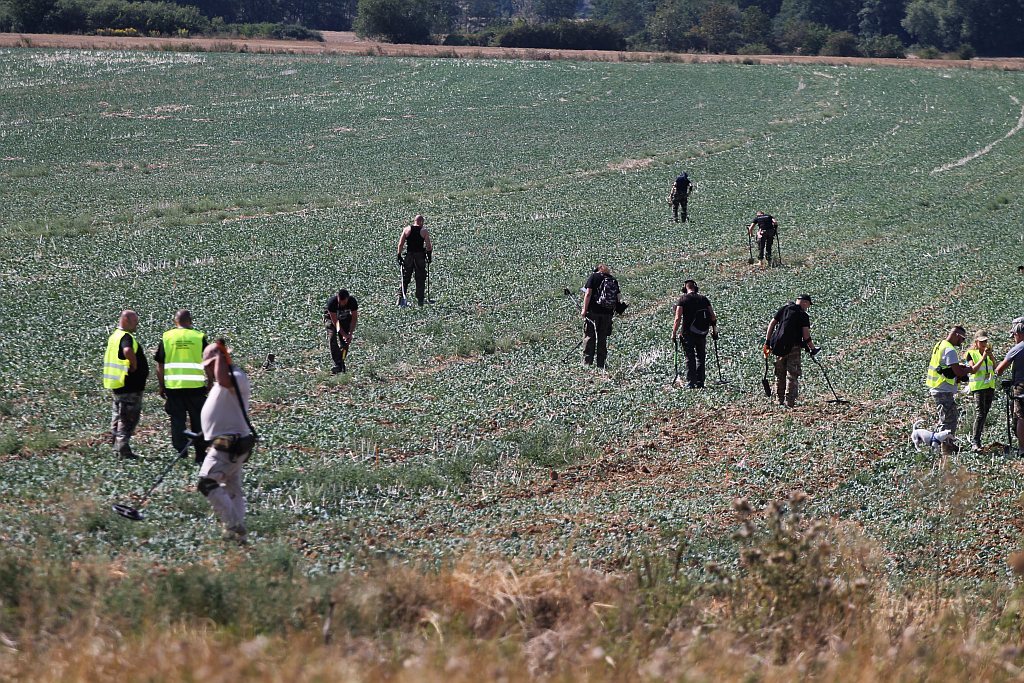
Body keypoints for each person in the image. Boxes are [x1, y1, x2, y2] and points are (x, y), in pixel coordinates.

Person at [197, 340, 255, 544]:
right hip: (228, 442)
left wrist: (220, 354)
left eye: (209, 366)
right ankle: (237, 536)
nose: (208, 372)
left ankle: (233, 525)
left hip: (230, 444)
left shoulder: (235, 377)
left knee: (207, 482)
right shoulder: (225, 380)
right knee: (233, 489)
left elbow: (223, 380)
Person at [154, 310, 208, 463]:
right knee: (199, 421)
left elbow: (160, 365)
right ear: (190, 321)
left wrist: (162, 385)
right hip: (196, 388)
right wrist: (210, 381)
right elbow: (209, 362)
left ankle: (181, 453)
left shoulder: (167, 337)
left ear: (174, 321)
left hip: (174, 388)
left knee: (177, 421)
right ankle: (200, 454)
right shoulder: (198, 337)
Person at [102, 310, 149, 460]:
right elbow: (127, 350)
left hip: (119, 384)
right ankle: (122, 449)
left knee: (118, 415)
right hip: (130, 385)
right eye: (135, 321)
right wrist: (134, 365)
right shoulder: (125, 337)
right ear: (127, 320)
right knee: (128, 418)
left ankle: (116, 447)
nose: (137, 325)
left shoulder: (114, 336)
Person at [763, 294, 818, 408]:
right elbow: (806, 335)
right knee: (792, 374)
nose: (807, 307)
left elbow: (772, 324)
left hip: (777, 346)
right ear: (804, 302)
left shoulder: (784, 309)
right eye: (808, 304)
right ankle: (790, 402)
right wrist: (812, 348)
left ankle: (779, 400)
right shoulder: (803, 315)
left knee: (779, 374)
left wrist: (767, 342)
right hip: (793, 347)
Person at [925, 325, 971, 456]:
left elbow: (946, 367)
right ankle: (945, 449)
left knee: (945, 418)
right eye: (962, 339)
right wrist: (967, 370)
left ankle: (945, 444)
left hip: (939, 388)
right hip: (942, 389)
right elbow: (957, 371)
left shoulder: (940, 344)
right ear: (957, 335)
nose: (962, 343)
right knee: (948, 419)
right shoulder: (950, 350)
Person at [671, 279, 718, 388]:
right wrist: (714, 331)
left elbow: (677, 318)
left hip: (688, 333)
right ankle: (700, 382)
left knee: (690, 357)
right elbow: (713, 316)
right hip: (702, 332)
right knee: (700, 357)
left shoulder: (683, 300)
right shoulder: (704, 299)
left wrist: (673, 333)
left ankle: (691, 382)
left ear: (685, 288)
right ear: (695, 288)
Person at [962, 330, 996, 451]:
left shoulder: (988, 353)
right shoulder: (971, 354)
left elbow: (995, 368)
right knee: (980, 413)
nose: (984, 343)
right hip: (978, 387)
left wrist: (990, 355)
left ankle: (978, 441)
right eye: (981, 341)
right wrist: (983, 357)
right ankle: (975, 442)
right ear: (976, 342)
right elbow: (973, 369)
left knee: (984, 414)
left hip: (989, 386)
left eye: (985, 341)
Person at [581, 263, 619, 369]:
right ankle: (601, 364)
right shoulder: (613, 280)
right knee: (602, 338)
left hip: (593, 312)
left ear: (598, 269)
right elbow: (618, 298)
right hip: (607, 314)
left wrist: (584, 310)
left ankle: (587, 363)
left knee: (589, 336)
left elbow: (588, 294)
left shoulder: (594, 277)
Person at [995, 321, 1024, 457]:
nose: (1014, 338)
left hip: (1021, 386)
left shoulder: (1018, 348)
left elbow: (999, 369)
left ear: (1018, 334)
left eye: (1014, 335)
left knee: (1021, 417)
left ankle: (1022, 449)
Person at [397, 214, 433, 306]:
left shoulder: (406, 229)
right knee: (420, 277)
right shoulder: (423, 231)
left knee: (405, 277)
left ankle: (400, 299)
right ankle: (420, 300)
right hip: (419, 256)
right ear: (421, 222)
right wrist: (429, 255)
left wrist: (399, 255)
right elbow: (428, 246)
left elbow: (400, 244)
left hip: (409, 256)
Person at [324, 288, 359, 374]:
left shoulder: (352, 301)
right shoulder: (332, 303)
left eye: (344, 302)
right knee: (332, 338)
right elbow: (335, 322)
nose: (342, 304)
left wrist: (349, 334)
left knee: (345, 342)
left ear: (347, 298)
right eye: (340, 301)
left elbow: (354, 318)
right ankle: (338, 363)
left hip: (345, 319)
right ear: (337, 297)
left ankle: (341, 362)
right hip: (332, 320)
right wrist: (343, 334)